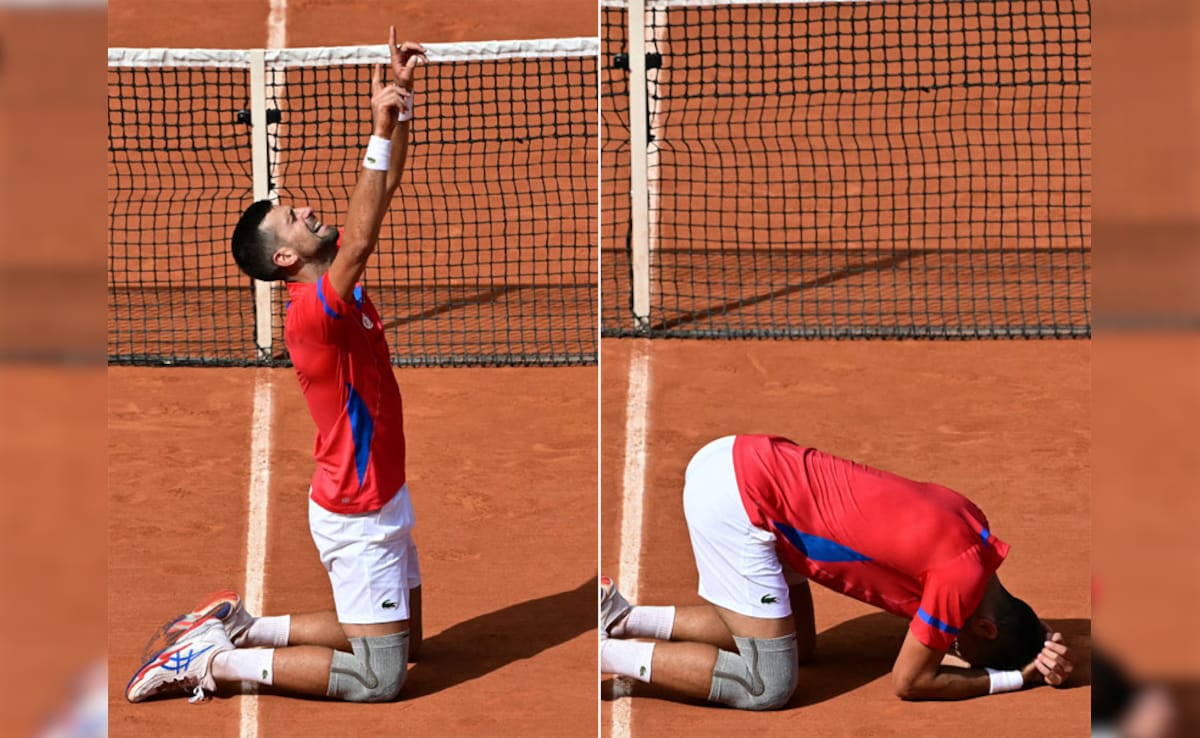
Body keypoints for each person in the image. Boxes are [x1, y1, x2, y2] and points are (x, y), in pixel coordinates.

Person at [126, 27, 428, 705]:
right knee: (382, 678)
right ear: (286, 260)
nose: (311, 210)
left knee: (412, 643)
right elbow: (368, 224)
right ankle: (215, 666)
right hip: (360, 510)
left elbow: (378, 198)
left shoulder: (333, 282)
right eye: (294, 217)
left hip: (384, 493)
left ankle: (244, 629)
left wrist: (400, 100)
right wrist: (379, 123)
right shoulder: (314, 310)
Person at [600, 434, 1075, 709]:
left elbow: (1005, 621)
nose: (953, 649)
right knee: (766, 685)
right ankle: (609, 655)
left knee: (799, 646)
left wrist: (1036, 639)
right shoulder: (957, 587)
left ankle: (623, 618)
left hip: (748, 458)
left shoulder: (974, 531)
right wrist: (1018, 677)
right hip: (743, 504)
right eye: (967, 650)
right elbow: (909, 682)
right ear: (987, 626)